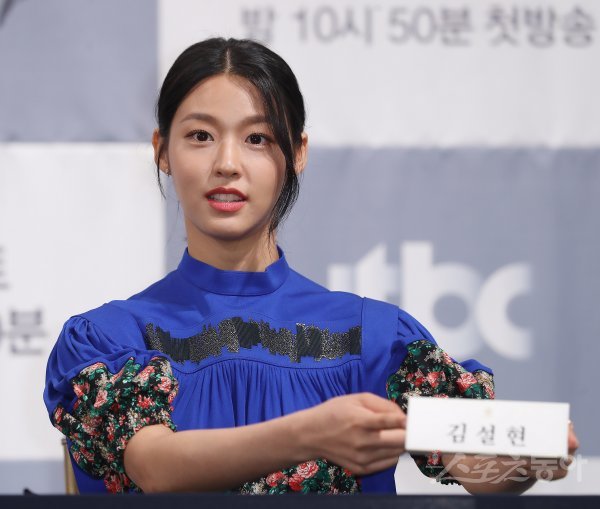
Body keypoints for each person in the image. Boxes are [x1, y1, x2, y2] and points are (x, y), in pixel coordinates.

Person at [43, 37, 578, 495]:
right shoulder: (108, 340)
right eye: (200, 136)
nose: (226, 163)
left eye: (257, 139)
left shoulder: (374, 337)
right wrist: (311, 435)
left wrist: (526, 456)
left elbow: (476, 465)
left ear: (297, 152)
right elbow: (155, 467)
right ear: (162, 151)